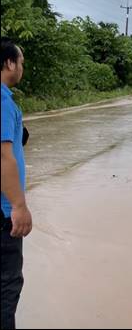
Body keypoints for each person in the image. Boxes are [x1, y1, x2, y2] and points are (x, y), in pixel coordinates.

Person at [1, 37, 31, 330]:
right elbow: (3, 157)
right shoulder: (2, 102)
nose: (22, 67)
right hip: (2, 213)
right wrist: (18, 206)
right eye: (20, 62)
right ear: (9, 63)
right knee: (7, 288)